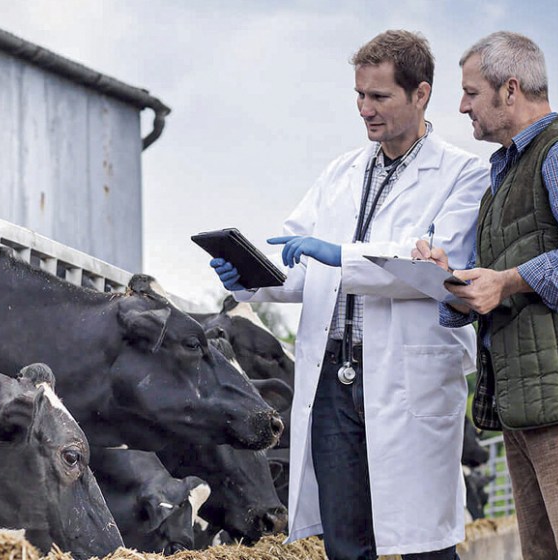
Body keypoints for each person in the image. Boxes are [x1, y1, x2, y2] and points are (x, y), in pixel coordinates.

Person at [208, 30, 489, 560]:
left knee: (426, 543)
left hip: (409, 377)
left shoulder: (463, 176)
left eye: (379, 97)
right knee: (345, 541)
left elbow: (435, 269)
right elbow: (300, 264)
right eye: (359, 95)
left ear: (421, 94)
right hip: (335, 380)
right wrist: (250, 276)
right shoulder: (339, 173)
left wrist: (341, 254)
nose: (365, 109)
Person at [413, 31, 558, 560]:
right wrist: (453, 281)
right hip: (523, 406)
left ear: (509, 89)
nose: (461, 106)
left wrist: (506, 280)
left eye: (470, 93)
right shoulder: (501, 176)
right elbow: (502, 284)